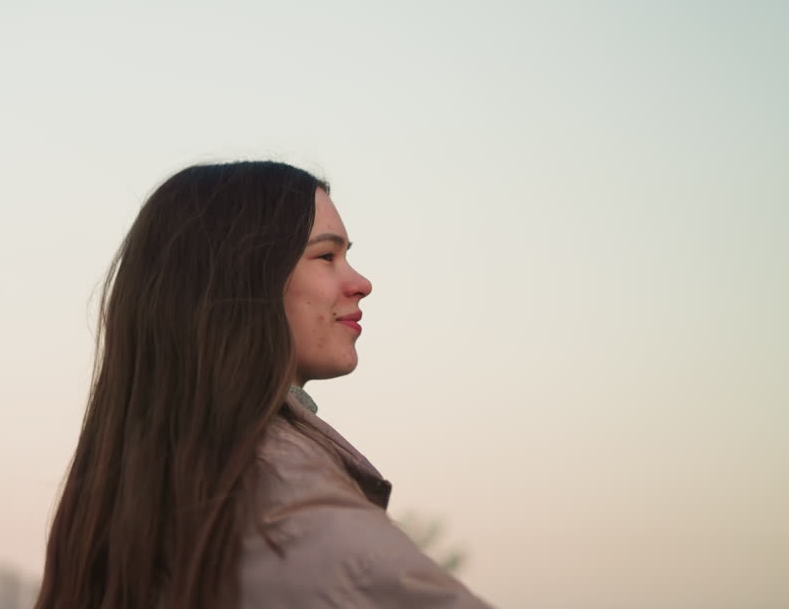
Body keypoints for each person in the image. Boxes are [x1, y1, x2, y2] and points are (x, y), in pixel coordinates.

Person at [35, 161, 493, 608]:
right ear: (244, 276)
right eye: (326, 256)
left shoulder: (123, 500)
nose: (361, 283)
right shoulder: (287, 494)